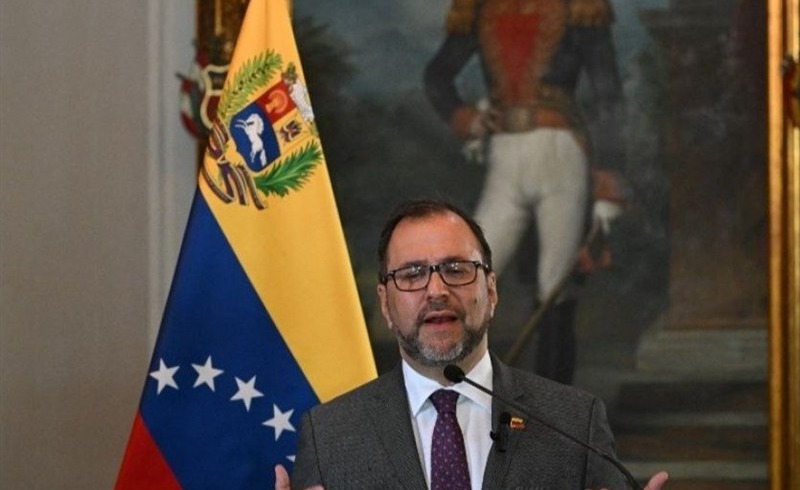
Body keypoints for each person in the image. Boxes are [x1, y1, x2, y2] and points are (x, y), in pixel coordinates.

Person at [275, 199, 667, 489]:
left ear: (491, 291)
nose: (436, 290)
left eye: (456, 269)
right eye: (412, 274)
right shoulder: (330, 436)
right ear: (385, 304)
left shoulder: (574, 423)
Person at [423, 0, 628, 384]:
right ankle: (459, 396)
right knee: (468, 274)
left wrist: (608, 182)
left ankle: (552, 407)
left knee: (554, 288)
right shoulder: (478, 7)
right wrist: (467, 118)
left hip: (560, 153)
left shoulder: (579, 7)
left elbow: (609, 94)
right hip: (505, 156)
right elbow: (437, 76)